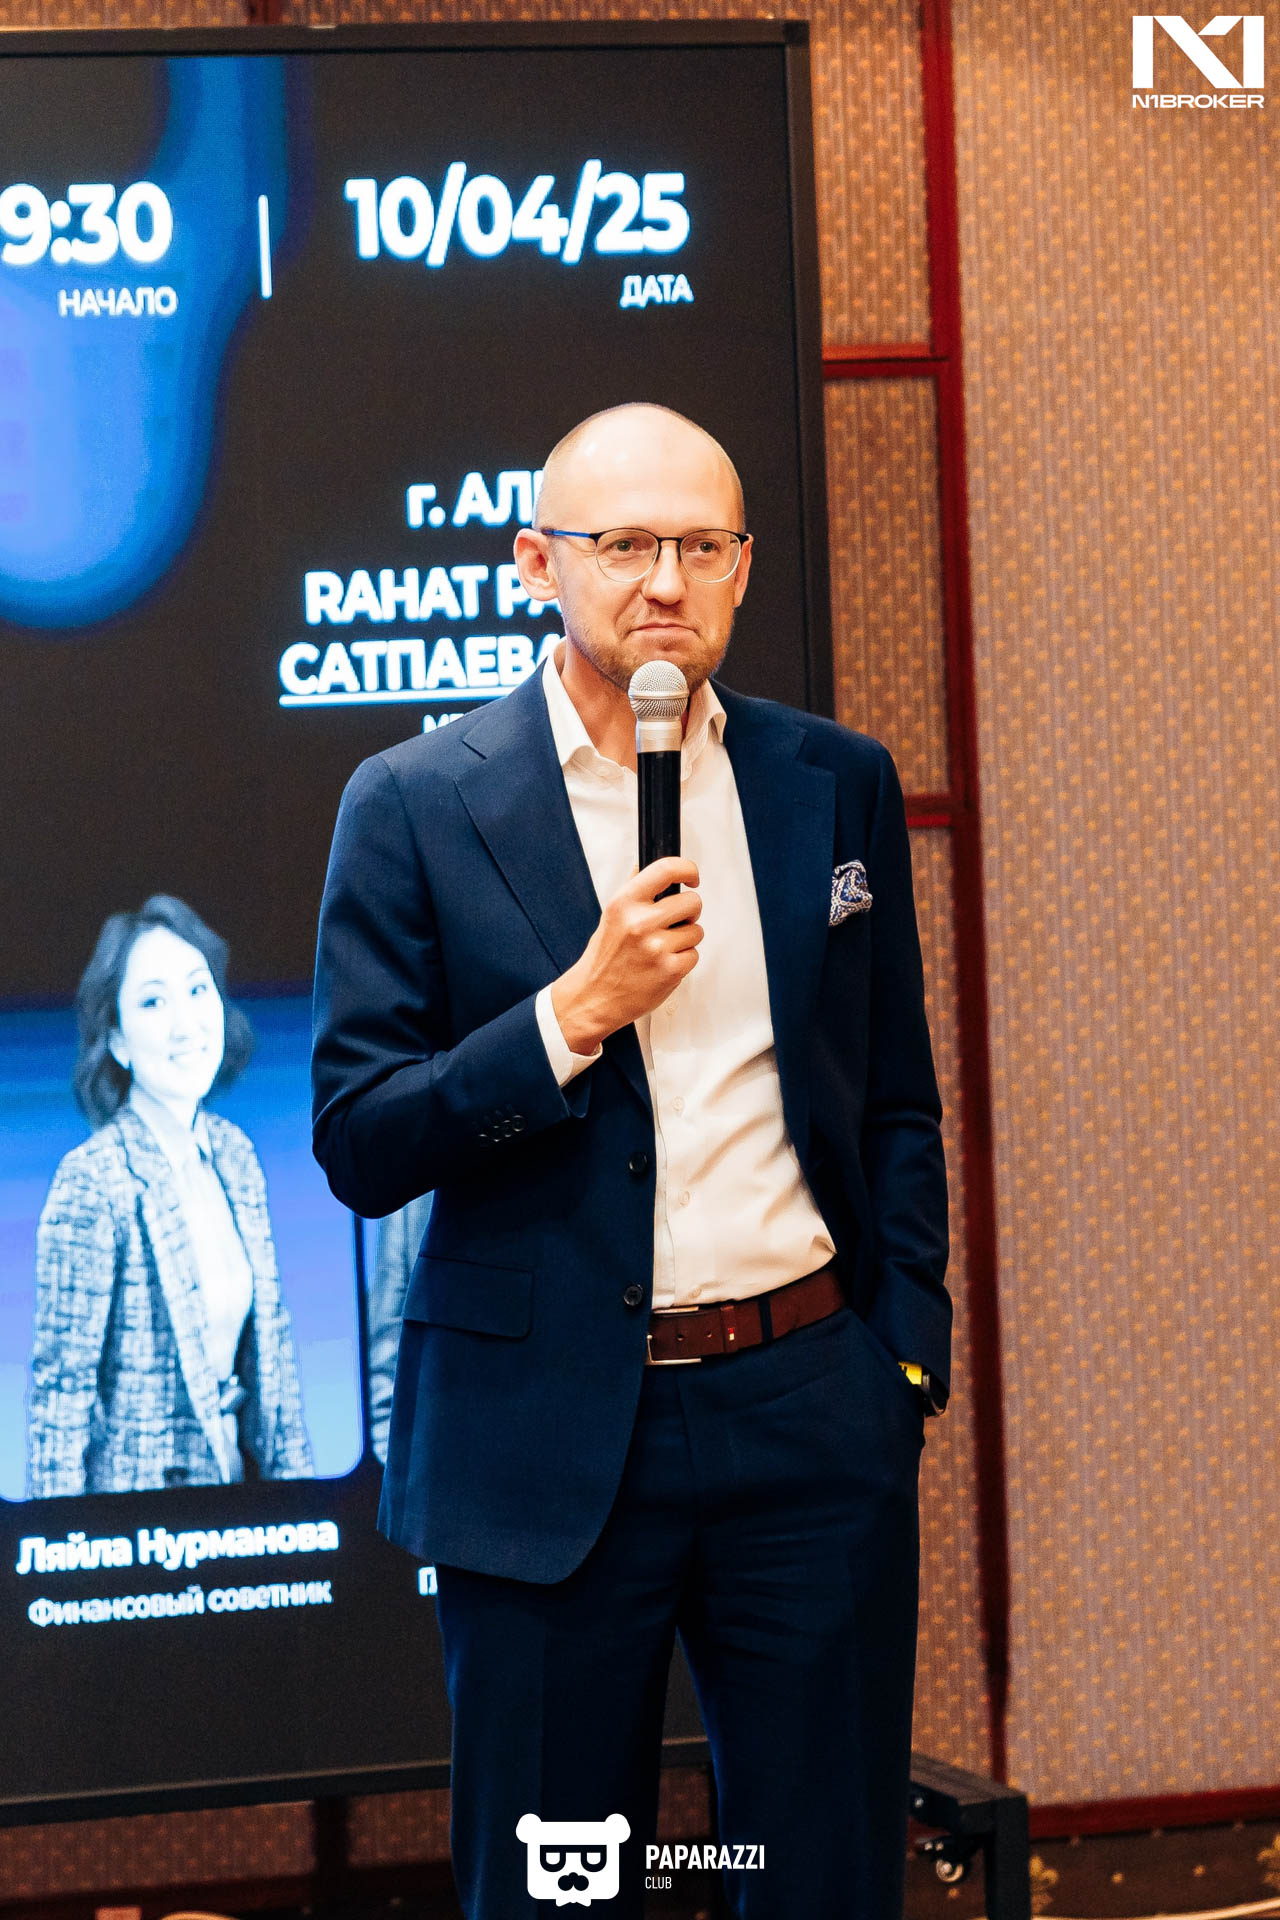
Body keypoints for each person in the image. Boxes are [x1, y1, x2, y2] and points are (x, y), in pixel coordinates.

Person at [311, 404, 950, 1918]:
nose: (666, 580)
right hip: (540, 1433)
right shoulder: (415, 802)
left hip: (810, 1410)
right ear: (538, 563)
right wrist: (569, 1015)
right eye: (624, 545)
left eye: (700, 546)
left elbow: (893, 1102)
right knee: (557, 1890)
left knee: (822, 1876)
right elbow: (359, 1135)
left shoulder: (832, 780)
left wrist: (902, 1362)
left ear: (741, 569)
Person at [28, 893, 314, 1497]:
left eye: (197, 990)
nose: (186, 1023)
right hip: (140, 1529)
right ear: (118, 1041)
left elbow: (276, 1363)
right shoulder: (92, 1180)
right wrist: (59, 1541)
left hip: (247, 1509)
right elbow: (61, 1396)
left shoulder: (236, 1156)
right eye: (153, 1002)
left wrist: (308, 1510)